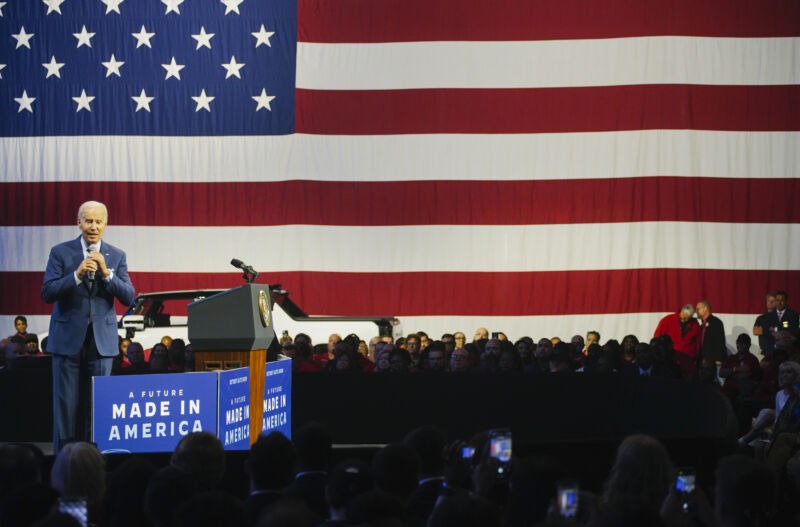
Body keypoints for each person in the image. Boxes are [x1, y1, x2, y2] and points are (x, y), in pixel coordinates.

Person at [41, 201, 135, 451]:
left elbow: (129, 297)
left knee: (98, 406)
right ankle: (63, 462)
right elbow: (47, 292)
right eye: (88, 220)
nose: (93, 226)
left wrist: (107, 273)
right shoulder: (60, 252)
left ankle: (96, 461)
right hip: (67, 340)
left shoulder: (117, 255)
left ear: (106, 224)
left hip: (101, 342)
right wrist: (76, 275)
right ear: (78, 222)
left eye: (99, 221)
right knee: (66, 407)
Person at [697, 300, 727, 365]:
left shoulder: (716, 322)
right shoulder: (702, 325)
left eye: (698, 309)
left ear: (705, 308)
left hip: (712, 362)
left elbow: (720, 342)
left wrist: (719, 359)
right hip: (702, 362)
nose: (697, 311)